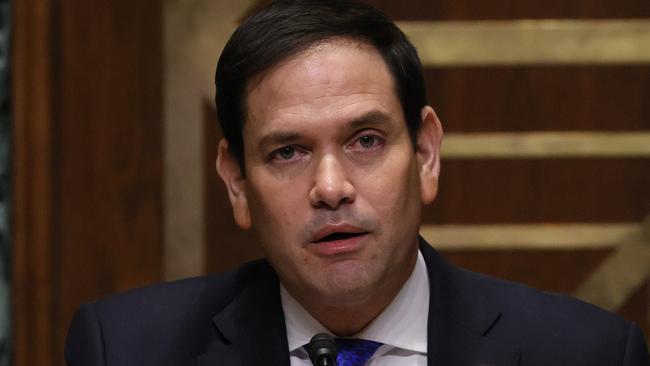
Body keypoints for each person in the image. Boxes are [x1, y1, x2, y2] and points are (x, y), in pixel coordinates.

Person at [65, 1, 650, 365]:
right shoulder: (125, 350)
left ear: (425, 153)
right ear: (237, 181)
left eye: (365, 140)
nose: (331, 187)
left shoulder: (587, 353)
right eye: (288, 151)